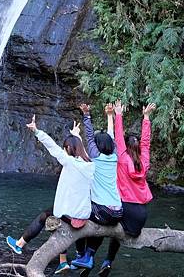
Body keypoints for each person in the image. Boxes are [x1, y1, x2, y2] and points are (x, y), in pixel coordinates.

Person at [82, 100, 156, 277]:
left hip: (126, 208)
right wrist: (146, 118)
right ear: (138, 148)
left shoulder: (122, 158)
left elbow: (117, 136)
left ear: (125, 147)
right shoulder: (143, 161)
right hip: (141, 215)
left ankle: (89, 255)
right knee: (116, 231)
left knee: (102, 225)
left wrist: (118, 115)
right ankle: (108, 261)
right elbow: (146, 143)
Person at [6, 114, 95, 255]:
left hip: (70, 214)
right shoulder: (90, 165)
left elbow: (51, 146)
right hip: (83, 214)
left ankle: (19, 244)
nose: (64, 150)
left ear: (69, 149)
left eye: (65, 148)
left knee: (44, 216)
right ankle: (78, 256)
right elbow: (80, 150)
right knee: (56, 217)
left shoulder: (69, 162)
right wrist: (77, 136)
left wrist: (36, 131)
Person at [59, 104, 122, 275]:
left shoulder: (95, 157)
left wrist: (86, 115)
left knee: (77, 213)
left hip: (102, 211)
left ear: (97, 146)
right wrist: (110, 116)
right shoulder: (114, 156)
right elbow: (111, 136)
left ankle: (83, 255)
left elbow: (89, 136)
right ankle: (87, 256)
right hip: (117, 212)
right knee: (100, 222)